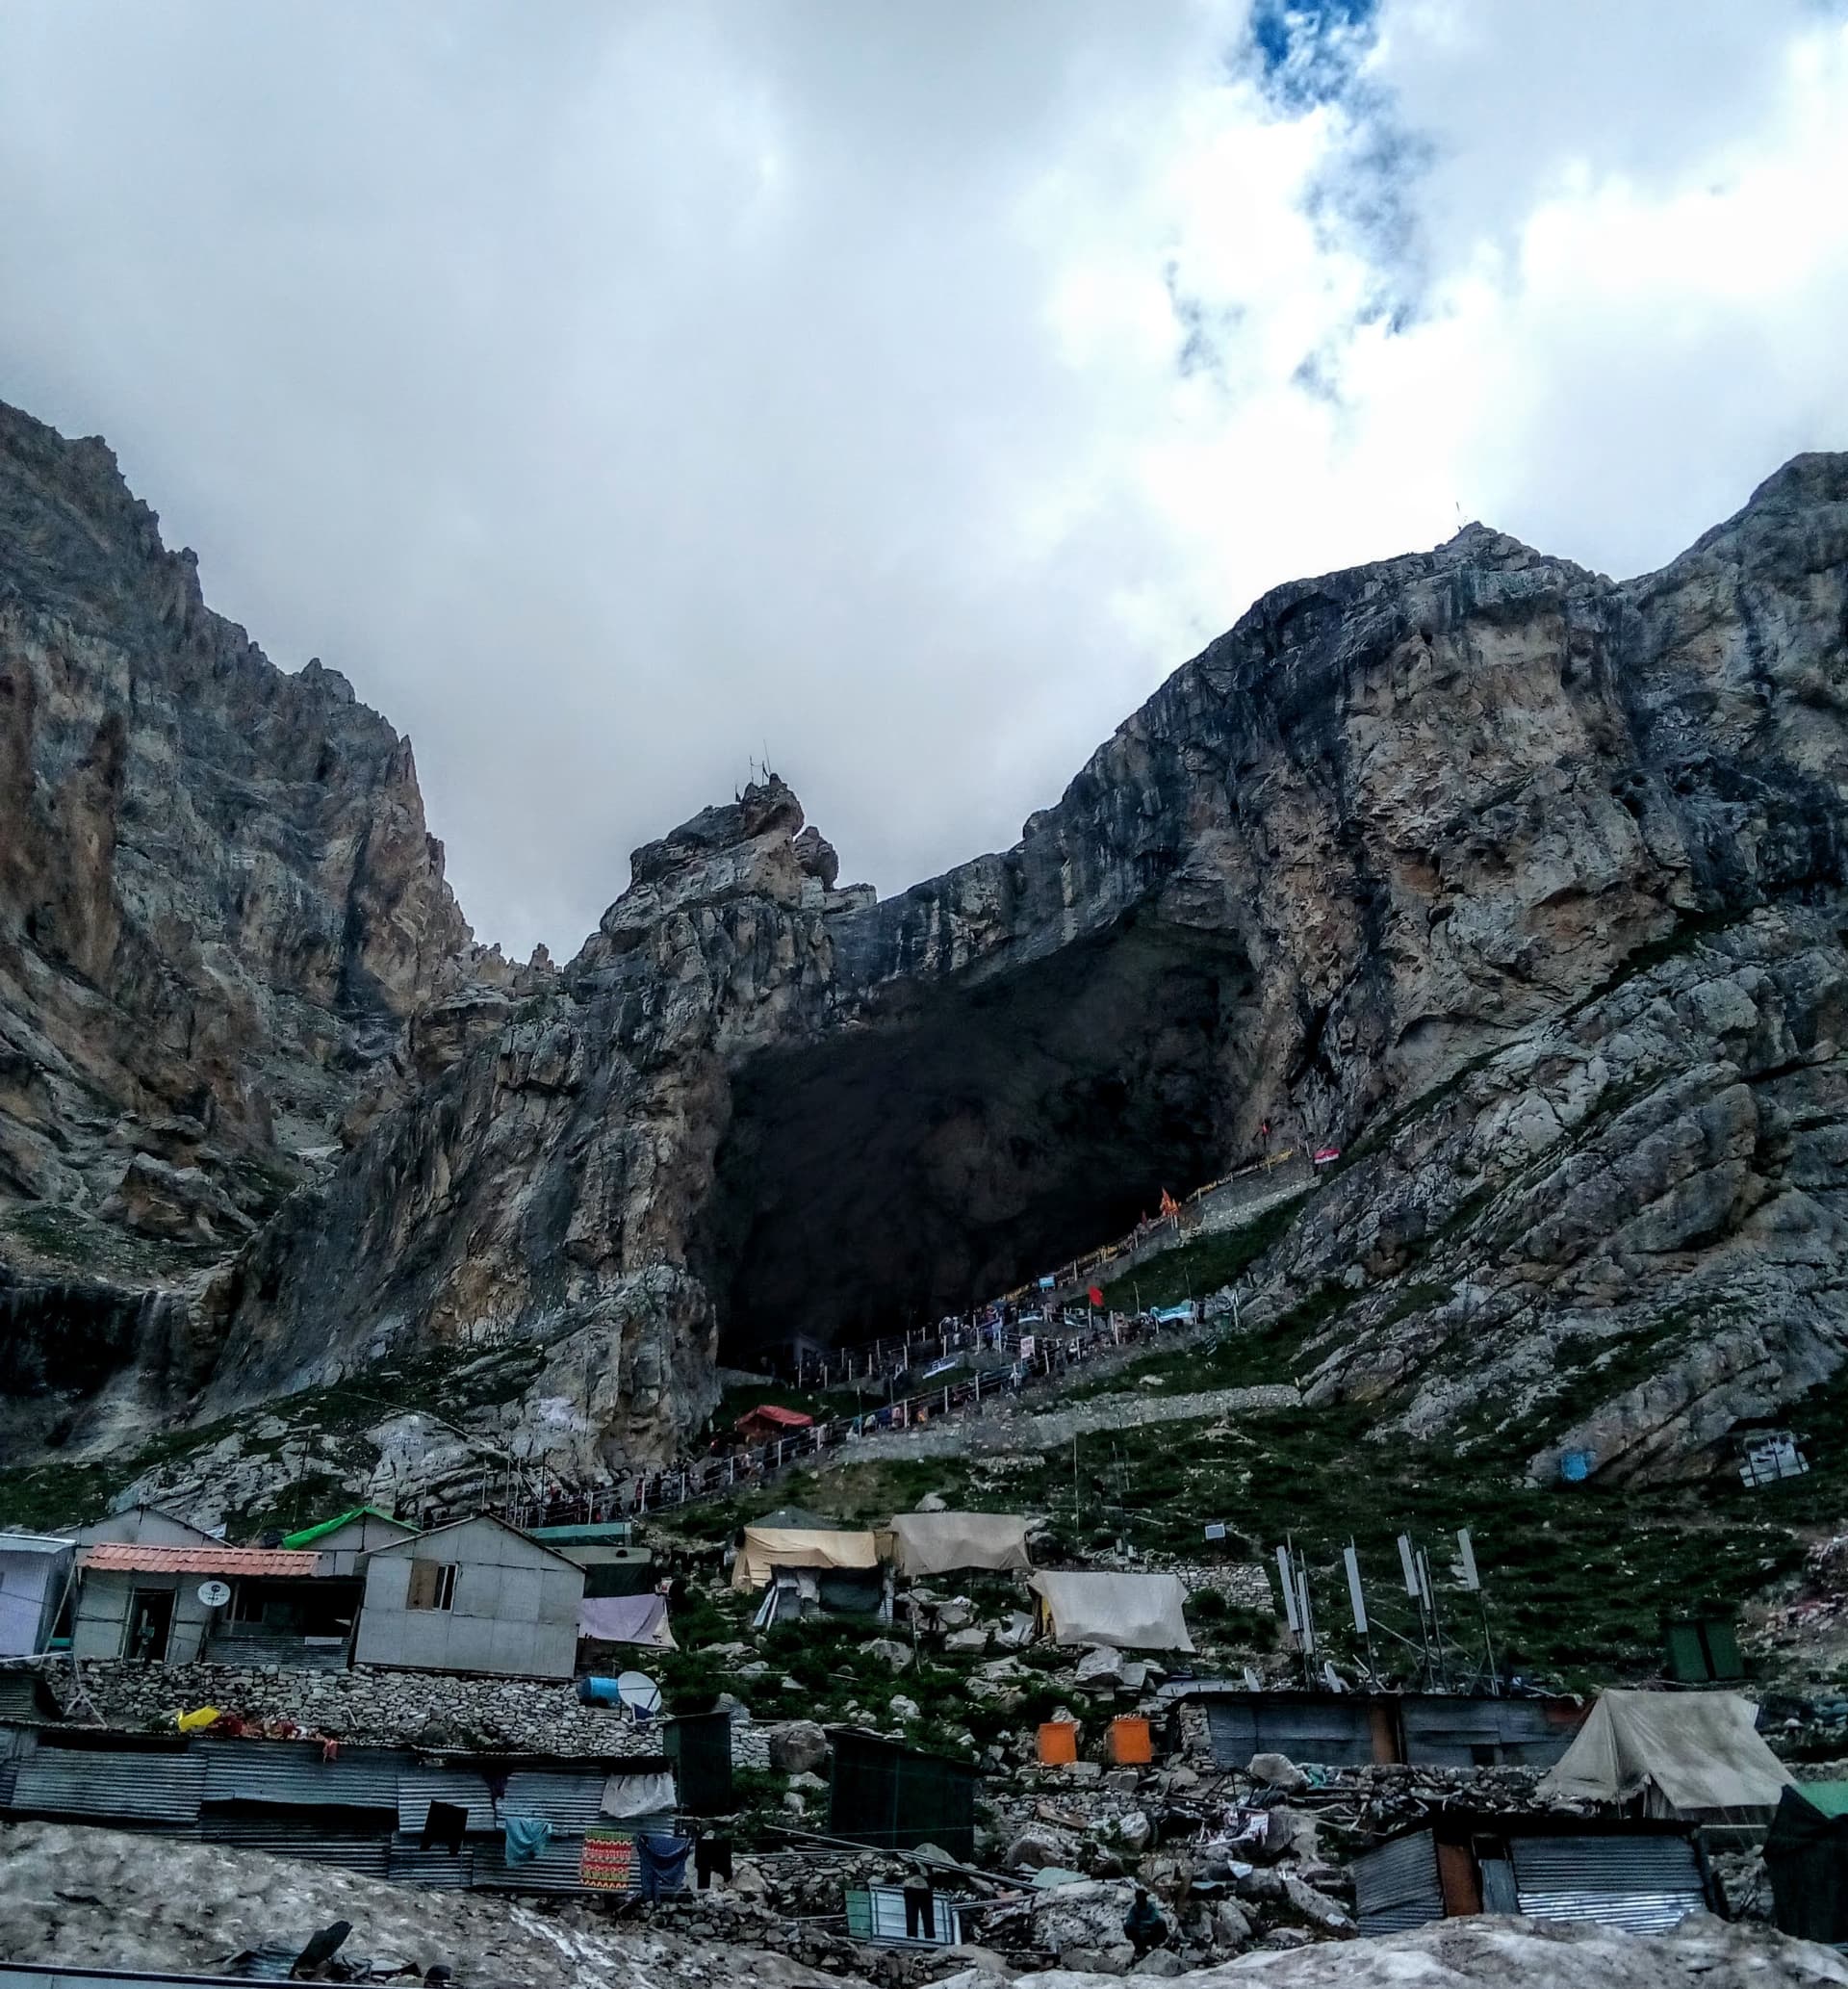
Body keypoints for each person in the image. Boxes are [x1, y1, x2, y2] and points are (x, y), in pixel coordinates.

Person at [1123, 1887, 1167, 1957]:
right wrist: (1138, 1927)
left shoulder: (1150, 1906)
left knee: (1161, 1922)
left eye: (1141, 1897)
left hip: (1151, 1931)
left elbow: (1155, 1918)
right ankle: (1139, 1948)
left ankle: (1157, 1944)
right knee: (1126, 1926)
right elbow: (1130, 1921)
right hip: (1139, 1933)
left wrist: (1144, 1924)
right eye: (1138, 1898)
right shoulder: (1134, 1909)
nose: (1140, 1899)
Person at [902, 1861, 937, 1941]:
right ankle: (930, 1938)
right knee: (927, 1915)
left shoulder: (914, 1861)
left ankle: (913, 1937)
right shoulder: (925, 1862)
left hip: (913, 1889)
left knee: (912, 1914)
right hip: (923, 1889)